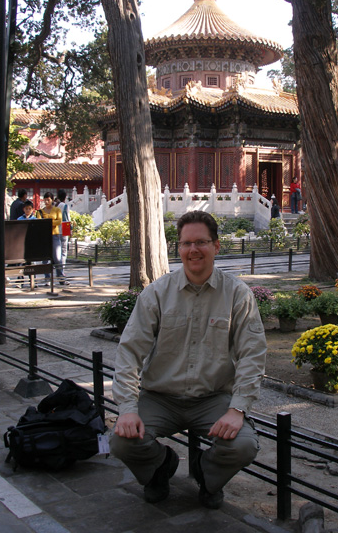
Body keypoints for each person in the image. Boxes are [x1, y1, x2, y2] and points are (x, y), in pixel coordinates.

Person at [111, 211, 267, 509]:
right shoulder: (157, 293)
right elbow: (129, 351)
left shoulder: (237, 295)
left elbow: (252, 354)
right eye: (186, 244)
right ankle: (160, 467)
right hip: (161, 397)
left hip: (212, 398)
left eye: (201, 242)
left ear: (217, 246)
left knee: (244, 446)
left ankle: (207, 476)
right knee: (121, 440)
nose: (193, 250)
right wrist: (128, 408)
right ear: (178, 248)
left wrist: (237, 408)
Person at [36, 192, 66, 285]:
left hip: (55, 235)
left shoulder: (57, 210)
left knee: (57, 257)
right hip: (44, 236)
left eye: (48, 199)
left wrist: (48, 222)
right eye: (45, 199)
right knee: (45, 258)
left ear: (52, 200)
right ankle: (47, 278)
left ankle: (60, 276)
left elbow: (59, 221)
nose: (46, 201)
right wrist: (51, 222)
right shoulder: (40, 211)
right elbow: (39, 222)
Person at [56, 189, 70, 279]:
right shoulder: (65, 206)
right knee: (64, 251)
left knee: (58, 251)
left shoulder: (55, 206)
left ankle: (58, 270)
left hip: (56, 229)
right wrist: (70, 229)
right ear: (65, 197)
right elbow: (67, 218)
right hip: (64, 228)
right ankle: (61, 271)